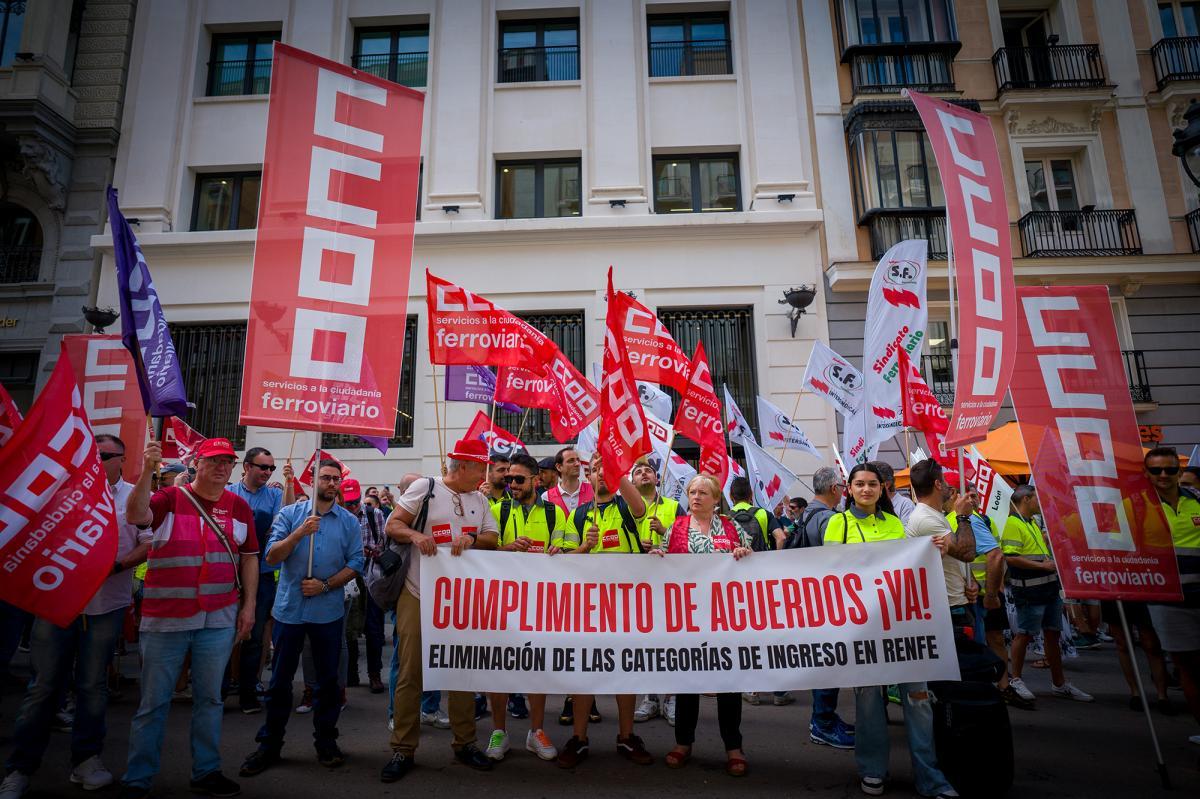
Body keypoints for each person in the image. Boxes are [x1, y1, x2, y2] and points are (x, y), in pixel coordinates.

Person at [0, 435, 151, 797]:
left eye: (105, 455)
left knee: (92, 687)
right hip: (55, 606)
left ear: (121, 459)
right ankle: (20, 769)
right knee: (43, 688)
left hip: (105, 608)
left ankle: (86, 760)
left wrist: (114, 566)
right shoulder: (56, 494)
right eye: (92, 454)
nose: (97, 460)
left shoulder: (134, 495)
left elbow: (148, 543)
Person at [119, 438, 259, 799]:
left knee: (210, 699)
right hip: (167, 618)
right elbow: (135, 516)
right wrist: (148, 471)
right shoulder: (168, 499)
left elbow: (250, 557)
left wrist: (249, 607)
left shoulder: (239, 507)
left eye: (228, 462)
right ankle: (138, 778)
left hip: (218, 618)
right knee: (154, 703)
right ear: (196, 463)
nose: (222, 468)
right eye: (214, 461)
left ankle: (206, 771)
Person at [825, 463, 958, 799]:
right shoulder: (837, 524)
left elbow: (911, 567)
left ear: (882, 489)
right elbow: (827, 573)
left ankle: (930, 777)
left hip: (902, 624)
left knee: (918, 700)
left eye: (872, 484)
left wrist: (935, 550)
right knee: (868, 700)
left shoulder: (896, 524)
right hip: (862, 629)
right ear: (849, 488)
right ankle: (872, 769)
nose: (866, 490)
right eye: (859, 484)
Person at [381, 439, 499, 782]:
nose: (484, 474)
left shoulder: (479, 499)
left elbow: (493, 537)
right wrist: (415, 537)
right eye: (480, 467)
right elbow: (393, 525)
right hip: (417, 592)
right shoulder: (425, 488)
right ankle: (403, 749)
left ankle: (465, 743)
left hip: (459, 600)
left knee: (461, 670)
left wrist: (474, 540)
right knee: (411, 673)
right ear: (462, 466)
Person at [239, 461, 364, 775]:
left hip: (328, 613)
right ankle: (269, 744)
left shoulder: (348, 521)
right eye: (326, 477)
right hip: (290, 611)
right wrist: (299, 533)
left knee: (328, 683)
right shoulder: (290, 514)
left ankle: (326, 741)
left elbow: (356, 562)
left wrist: (325, 585)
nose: (332, 483)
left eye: (336, 479)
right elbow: (271, 555)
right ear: (313, 480)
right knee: (280, 682)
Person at [648, 474, 753, 776]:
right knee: (687, 684)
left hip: (724, 620)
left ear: (716, 499)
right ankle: (683, 743)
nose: (695, 497)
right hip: (687, 620)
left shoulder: (732, 528)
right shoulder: (676, 528)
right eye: (692, 492)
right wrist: (657, 556)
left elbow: (753, 565)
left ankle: (733, 747)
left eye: (703, 493)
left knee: (728, 685)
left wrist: (744, 554)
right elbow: (664, 562)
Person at [556, 455, 650, 769]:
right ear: (588, 477)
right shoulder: (579, 514)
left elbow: (640, 508)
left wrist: (614, 465)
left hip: (627, 605)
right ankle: (579, 739)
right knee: (584, 673)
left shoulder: (627, 505)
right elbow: (565, 559)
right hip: (589, 606)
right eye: (596, 470)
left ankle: (627, 736)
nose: (601, 474)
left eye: (605, 470)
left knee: (626, 672)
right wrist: (584, 546)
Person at [484, 453, 567, 762]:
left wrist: (562, 550)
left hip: (540, 604)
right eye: (508, 479)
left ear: (536, 480)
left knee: (537, 669)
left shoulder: (555, 514)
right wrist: (506, 548)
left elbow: (569, 551)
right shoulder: (497, 509)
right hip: (502, 603)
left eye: (519, 479)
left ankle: (536, 732)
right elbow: (482, 550)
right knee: (499, 669)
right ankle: (499, 732)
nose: (512, 484)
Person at [779, 466, 856, 749]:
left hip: (810, 599)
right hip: (827, 601)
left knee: (825, 661)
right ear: (835, 489)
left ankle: (823, 718)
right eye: (844, 487)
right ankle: (823, 723)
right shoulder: (829, 518)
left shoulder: (806, 513)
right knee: (829, 663)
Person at [1003, 485, 1093, 704]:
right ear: (1025, 499)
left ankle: (1059, 683)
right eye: (1037, 499)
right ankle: (1016, 680)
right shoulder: (1013, 524)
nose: (1040, 504)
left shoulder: (1031, 522)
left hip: (1048, 589)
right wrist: (1044, 567)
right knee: (1024, 634)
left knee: (1052, 633)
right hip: (1029, 590)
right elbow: (1010, 557)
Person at [1143, 447, 1200, 744]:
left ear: (1178, 471)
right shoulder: (1137, 506)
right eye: (1155, 471)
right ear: (1146, 474)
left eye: (1168, 469)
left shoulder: (1197, 501)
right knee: (1187, 666)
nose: (1163, 475)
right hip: (1168, 601)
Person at [229, 447, 290, 715]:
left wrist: (288, 483)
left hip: (263, 574)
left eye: (271, 469)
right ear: (246, 467)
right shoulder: (230, 492)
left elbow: (284, 518)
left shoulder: (275, 495)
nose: (267, 472)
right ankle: (217, 691)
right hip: (228, 572)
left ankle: (248, 692)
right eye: (262, 467)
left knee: (254, 636)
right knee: (223, 633)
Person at [630, 458, 682, 725]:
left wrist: (665, 531)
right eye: (637, 472)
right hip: (638, 584)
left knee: (670, 641)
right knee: (644, 643)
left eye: (648, 470)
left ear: (657, 477)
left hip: (669, 583)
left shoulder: (674, 506)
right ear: (632, 482)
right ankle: (650, 698)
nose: (643, 474)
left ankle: (671, 698)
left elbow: (688, 538)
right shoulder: (625, 506)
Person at [905, 460, 976, 627]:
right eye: (944, 481)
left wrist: (971, 582)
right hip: (950, 609)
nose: (947, 486)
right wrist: (963, 517)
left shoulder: (935, 514)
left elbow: (955, 558)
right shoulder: (925, 518)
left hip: (957, 601)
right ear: (937, 484)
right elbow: (966, 553)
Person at [342, 478, 386, 694]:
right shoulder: (338, 516)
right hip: (347, 577)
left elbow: (383, 542)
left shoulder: (374, 514)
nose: (352, 507)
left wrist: (370, 551)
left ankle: (374, 674)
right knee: (349, 628)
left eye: (354, 502)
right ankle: (351, 672)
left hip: (370, 575)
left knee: (374, 628)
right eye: (348, 502)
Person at [728, 476, 783, 552]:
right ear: (751, 494)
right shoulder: (763, 513)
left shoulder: (725, 518)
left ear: (730, 496)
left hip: (736, 560)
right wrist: (776, 559)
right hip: (762, 561)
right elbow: (781, 537)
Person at [544, 447, 594, 513]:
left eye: (578, 460)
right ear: (559, 467)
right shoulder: (547, 497)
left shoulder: (593, 491)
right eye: (571, 461)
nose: (577, 464)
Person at [869, 460, 915, 525]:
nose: (866, 488)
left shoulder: (905, 505)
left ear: (887, 484)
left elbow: (906, 534)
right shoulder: (867, 503)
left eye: (872, 483)